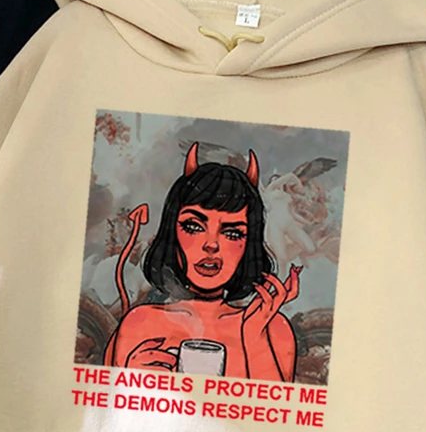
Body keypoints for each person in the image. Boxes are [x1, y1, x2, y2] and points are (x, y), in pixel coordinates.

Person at [105, 143, 300, 382]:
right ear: (172, 232)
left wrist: (253, 337)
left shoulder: (272, 328)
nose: (211, 244)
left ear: (249, 245)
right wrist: (132, 380)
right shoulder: (140, 323)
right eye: (194, 226)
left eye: (232, 233)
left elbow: (276, 405)